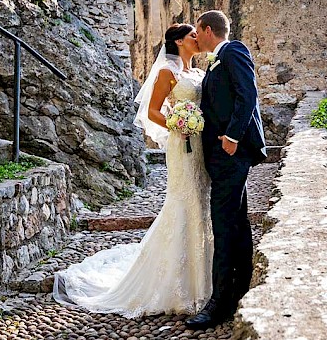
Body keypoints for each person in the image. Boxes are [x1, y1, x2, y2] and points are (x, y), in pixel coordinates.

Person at [51, 24, 214, 317]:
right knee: (183, 202)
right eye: (193, 35)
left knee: (201, 201)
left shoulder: (199, 73)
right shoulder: (168, 71)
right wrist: (178, 126)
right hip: (183, 144)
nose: (197, 39)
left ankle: (204, 275)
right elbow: (153, 111)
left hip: (201, 146)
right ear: (179, 41)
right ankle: (179, 284)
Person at [186, 10, 267, 330]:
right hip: (223, 155)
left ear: (208, 30)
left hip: (230, 153)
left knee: (222, 222)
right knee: (236, 220)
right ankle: (242, 286)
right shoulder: (218, 60)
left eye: (197, 30)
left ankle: (219, 303)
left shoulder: (234, 51)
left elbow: (248, 95)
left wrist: (232, 137)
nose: (195, 36)